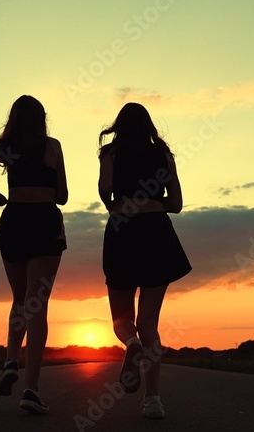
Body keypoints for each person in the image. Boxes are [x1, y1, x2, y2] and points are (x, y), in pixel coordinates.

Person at [97, 102, 192, 420]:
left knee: (121, 319)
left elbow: (106, 190)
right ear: (149, 125)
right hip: (156, 233)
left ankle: (131, 342)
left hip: (124, 231)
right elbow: (176, 204)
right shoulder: (163, 155)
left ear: (119, 126)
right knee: (150, 321)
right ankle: (153, 401)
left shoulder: (110, 153)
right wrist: (153, 200)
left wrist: (120, 202)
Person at [0, 95, 68, 415]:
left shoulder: (7, 147)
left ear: (13, 119)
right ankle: (31, 388)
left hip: (13, 219)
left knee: (19, 299)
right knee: (37, 304)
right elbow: (63, 196)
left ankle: (10, 361)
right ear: (42, 118)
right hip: (44, 220)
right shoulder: (52, 145)